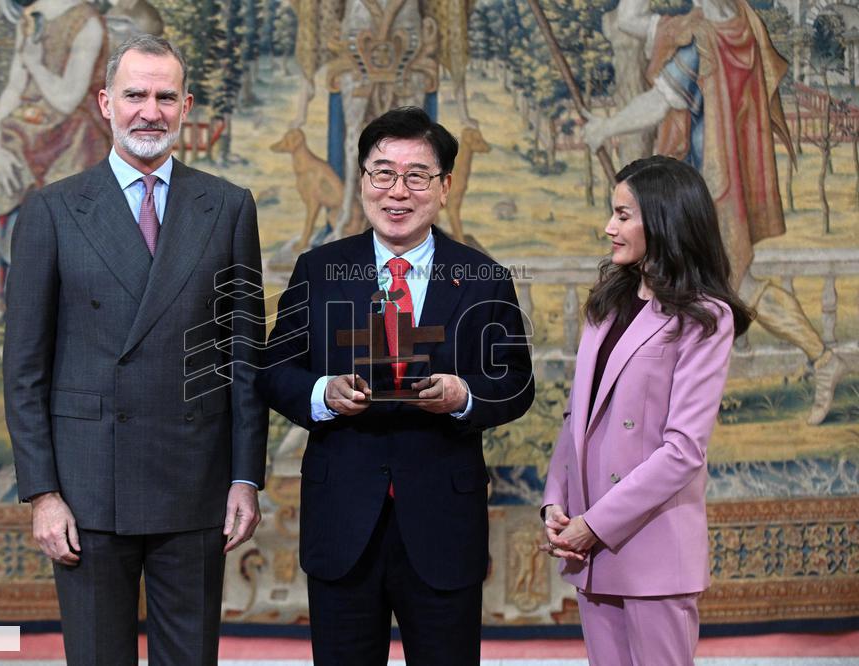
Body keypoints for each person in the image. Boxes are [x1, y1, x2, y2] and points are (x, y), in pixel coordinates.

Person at [3, 35, 267, 665]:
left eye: (166, 97)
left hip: (195, 481)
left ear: (186, 106)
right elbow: (24, 370)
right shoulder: (52, 210)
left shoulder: (228, 206)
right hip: (87, 487)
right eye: (135, 95)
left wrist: (245, 477)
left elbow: (245, 355)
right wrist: (42, 493)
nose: (151, 111)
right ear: (105, 103)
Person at [257, 106, 534, 665]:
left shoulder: (483, 278)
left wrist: (465, 397)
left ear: (445, 187)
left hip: (442, 521)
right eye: (382, 173)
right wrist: (323, 394)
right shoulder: (319, 270)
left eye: (417, 176)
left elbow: (516, 382)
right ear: (362, 181)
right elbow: (274, 370)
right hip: (342, 520)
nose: (397, 191)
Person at [583, 0, 847, 425]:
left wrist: (604, 127)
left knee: (731, 289)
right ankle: (821, 359)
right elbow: (633, 22)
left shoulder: (704, 40)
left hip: (711, 195)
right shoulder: (739, 23)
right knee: (729, 288)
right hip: (717, 190)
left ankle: (822, 358)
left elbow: (659, 101)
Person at [541, 155, 753, 666]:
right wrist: (554, 504)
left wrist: (594, 525)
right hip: (590, 548)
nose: (608, 227)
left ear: (663, 221)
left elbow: (683, 451)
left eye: (622, 215)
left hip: (650, 548)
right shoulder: (607, 301)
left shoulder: (705, 316)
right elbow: (577, 416)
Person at [0, 0, 113, 312]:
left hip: (74, 140)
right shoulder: (30, 19)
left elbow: (67, 99)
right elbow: (13, 88)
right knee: (17, 219)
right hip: (27, 133)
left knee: (69, 236)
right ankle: (22, 307)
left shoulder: (87, 22)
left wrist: (34, 63)